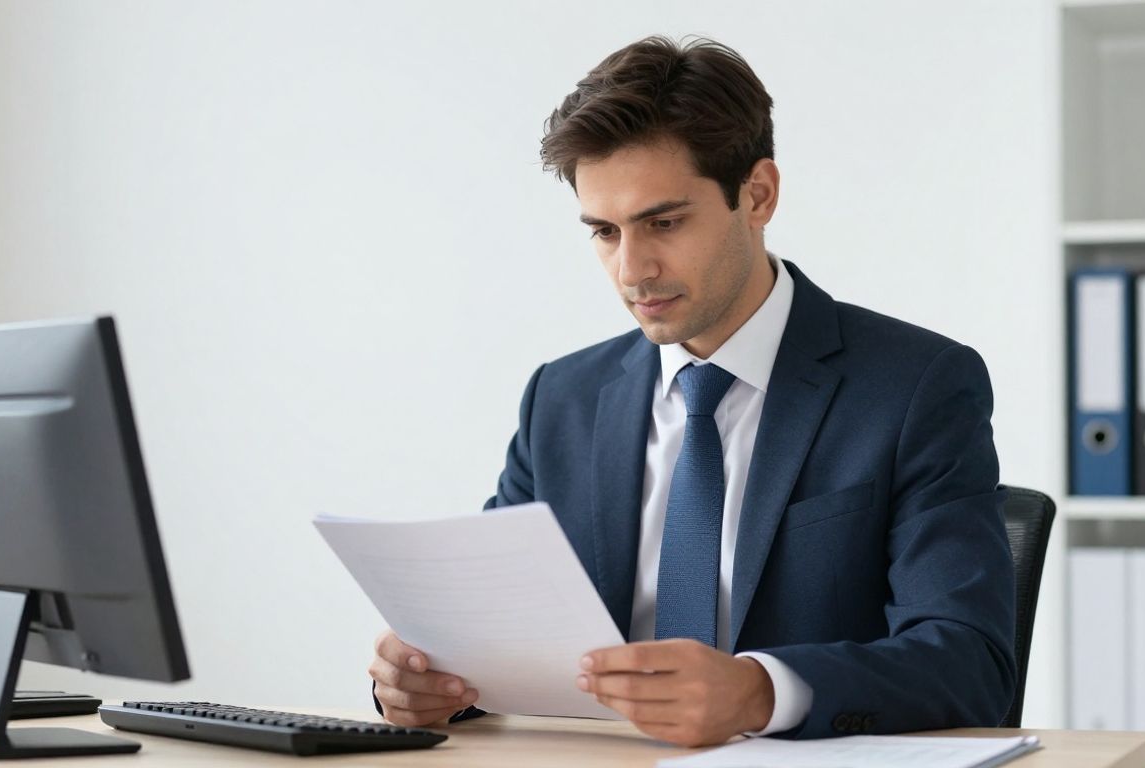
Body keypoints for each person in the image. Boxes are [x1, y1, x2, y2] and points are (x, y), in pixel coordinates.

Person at [367, 35, 1015, 747]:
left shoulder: (916, 387)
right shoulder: (563, 400)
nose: (632, 269)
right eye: (605, 232)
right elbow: (491, 637)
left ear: (758, 194)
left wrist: (761, 692)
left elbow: (969, 661)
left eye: (663, 222)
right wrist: (427, 681)